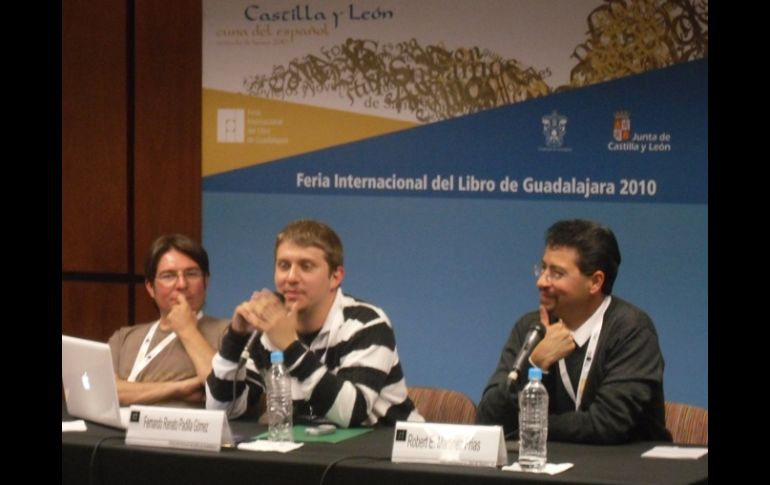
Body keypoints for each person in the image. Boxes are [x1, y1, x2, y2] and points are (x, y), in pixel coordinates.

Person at [206, 219, 423, 427]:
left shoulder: (367, 324)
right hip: (315, 455)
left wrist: (290, 346)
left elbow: (351, 413)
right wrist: (235, 339)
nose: (291, 277)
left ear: (335, 277)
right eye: (283, 265)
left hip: (391, 453)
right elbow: (222, 412)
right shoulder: (267, 328)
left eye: (306, 266)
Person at [476, 219, 672, 444]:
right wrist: (534, 362)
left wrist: (528, 425)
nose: (541, 281)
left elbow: (606, 425)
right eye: (543, 268)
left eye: (557, 273)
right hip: (545, 470)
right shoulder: (531, 328)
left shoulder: (631, 331)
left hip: (626, 473)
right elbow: (488, 420)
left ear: (595, 282)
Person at [108, 234, 229, 407]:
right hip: (117, 433)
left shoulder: (228, 333)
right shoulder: (123, 338)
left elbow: (221, 390)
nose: (181, 284)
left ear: (206, 282)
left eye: (191, 274)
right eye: (168, 275)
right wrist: (180, 388)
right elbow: (105, 393)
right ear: (150, 287)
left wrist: (187, 330)